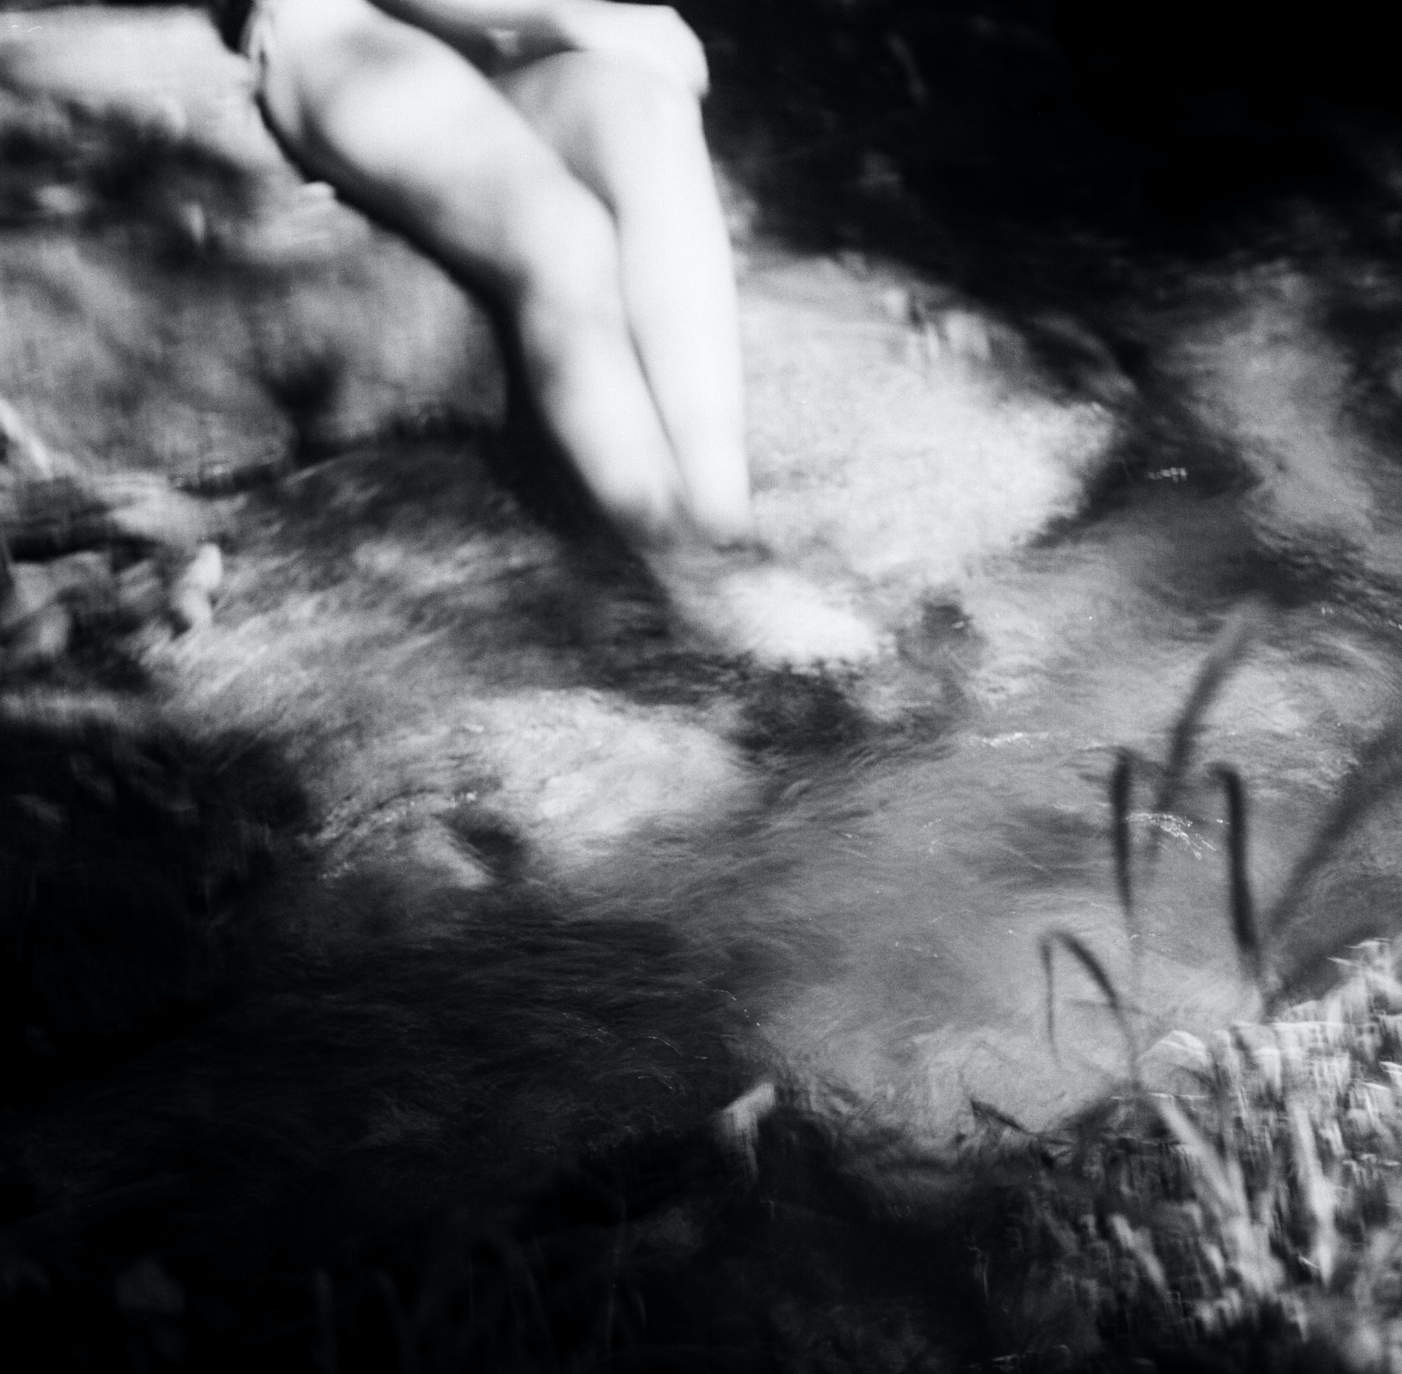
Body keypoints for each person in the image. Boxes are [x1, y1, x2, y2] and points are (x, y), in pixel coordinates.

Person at [215, 0, 880, 663]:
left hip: (489, 45)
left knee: (648, 112)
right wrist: (562, 14)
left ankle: (728, 536)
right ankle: (687, 567)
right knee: (561, 234)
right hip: (343, 34)